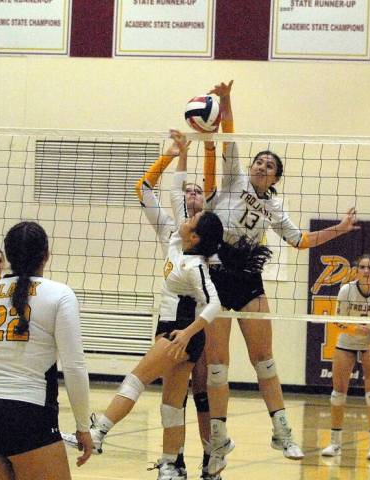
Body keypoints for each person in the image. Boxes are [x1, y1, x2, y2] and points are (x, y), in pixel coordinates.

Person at [202, 80, 359, 475]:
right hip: (217, 275)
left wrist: (339, 229)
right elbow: (230, 141)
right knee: (218, 365)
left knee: (265, 361)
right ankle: (218, 437)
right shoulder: (234, 181)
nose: (261, 166)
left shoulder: (277, 208)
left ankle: (282, 431)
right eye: (259, 161)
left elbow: (301, 241)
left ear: (275, 178)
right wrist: (226, 99)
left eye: (269, 166)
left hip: (249, 281)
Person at [74, 211, 258, 480]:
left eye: (191, 221)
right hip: (170, 328)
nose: (185, 219)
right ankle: (171, 465)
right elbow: (176, 191)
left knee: (136, 379)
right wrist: (175, 166)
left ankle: (98, 433)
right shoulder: (175, 243)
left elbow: (215, 304)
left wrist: (186, 334)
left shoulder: (195, 265)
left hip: (180, 333)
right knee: (171, 405)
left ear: (194, 236)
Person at [0, 221, 93, 479]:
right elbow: (74, 367)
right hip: (30, 414)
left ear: (8, 258)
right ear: (46, 255)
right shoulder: (59, 295)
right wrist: (83, 427)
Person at [133, 128, 220, 479]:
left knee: (205, 391)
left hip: (205, 319)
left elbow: (210, 184)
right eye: (188, 190)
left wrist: (209, 142)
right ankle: (175, 461)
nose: (192, 194)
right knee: (175, 393)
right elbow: (143, 188)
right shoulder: (171, 229)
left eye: (198, 191)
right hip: (173, 319)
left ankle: (211, 461)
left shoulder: (216, 227)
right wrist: (173, 153)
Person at [320, 254, 370, 461]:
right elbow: (337, 321)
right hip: (347, 342)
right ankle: (334, 443)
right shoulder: (347, 290)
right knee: (338, 393)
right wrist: (353, 329)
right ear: (357, 270)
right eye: (362, 267)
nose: (366, 270)